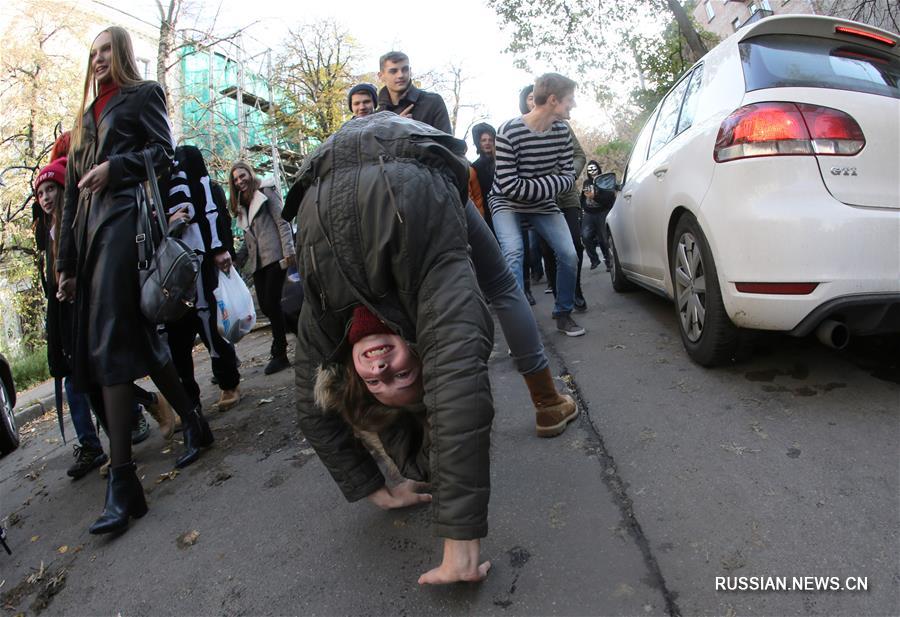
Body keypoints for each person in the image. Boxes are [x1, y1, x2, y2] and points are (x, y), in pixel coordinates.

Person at [284, 112, 579, 586]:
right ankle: (547, 400)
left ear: (355, 382)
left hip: (329, 178)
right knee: (501, 282)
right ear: (425, 352)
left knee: (502, 284)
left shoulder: (328, 314)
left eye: (376, 381)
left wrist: (373, 486)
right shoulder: (433, 285)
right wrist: (456, 546)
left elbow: (308, 402)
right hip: (419, 175)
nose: (379, 366)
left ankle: (547, 400)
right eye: (400, 374)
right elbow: (458, 380)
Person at [57, 26, 213, 534]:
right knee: (135, 341)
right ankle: (194, 421)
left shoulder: (143, 94)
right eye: (93, 52)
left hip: (127, 226)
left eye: (107, 50)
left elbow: (166, 156)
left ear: (121, 53)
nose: (99, 59)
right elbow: (70, 198)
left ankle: (123, 479)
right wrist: (65, 264)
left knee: (111, 344)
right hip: (91, 237)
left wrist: (116, 168)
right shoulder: (83, 119)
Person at [490, 74, 585, 336]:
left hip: (543, 204)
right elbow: (509, 186)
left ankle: (563, 313)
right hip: (506, 203)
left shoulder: (562, 132)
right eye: (570, 99)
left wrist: (537, 185)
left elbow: (568, 178)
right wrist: (549, 181)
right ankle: (520, 327)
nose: (573, 105)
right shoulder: (508, 130)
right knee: (514, 253)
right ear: (553, 100)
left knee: (569, 254)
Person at [165, 145, 242, 410]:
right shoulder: (146, 178)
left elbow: (211, 207)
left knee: (211, 321)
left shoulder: (194, 168)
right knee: (175, 334)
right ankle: (189, 402)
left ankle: (229, 383)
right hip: (168, 270)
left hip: (199, 261)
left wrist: (219, 249)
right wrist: (165, 220)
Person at [518, 84, 589, 311]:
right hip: (540, 201)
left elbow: (579, 155)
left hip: (566, 196)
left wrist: (569, 175)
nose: (532, 101)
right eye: (528, 98)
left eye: (534, 97)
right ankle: (560, 297)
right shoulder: (518, 129)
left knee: (574, 245)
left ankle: (575, 289)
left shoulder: (562, 127)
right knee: (548, 249)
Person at [229, 161, 295, 375]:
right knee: (267, 307)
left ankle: (280, 353)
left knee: (272, 303)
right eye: (236, 179)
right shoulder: (241, 205)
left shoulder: (265, 191)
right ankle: (300, 329)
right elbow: (247, 240)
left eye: (242, 175)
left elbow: (282, 221)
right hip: (258, 262)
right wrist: (236, 260)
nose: (240, 181)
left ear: (249, 173)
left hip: (275, 256)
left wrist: (289, 251)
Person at [375, 51, 452, 134]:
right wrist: (394, 130)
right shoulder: (377, 117)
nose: (400, 75)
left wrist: (414, 130)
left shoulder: (432, 102)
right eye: (393, 71)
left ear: (410, 71)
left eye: (405, 69)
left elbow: (447, 144)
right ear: (381, 76)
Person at [581, 160, 614, 271]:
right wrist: (583, 208)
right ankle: (594, 259)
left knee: (604, 239)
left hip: (602, 212)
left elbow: (608, 199)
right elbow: (583, 197)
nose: (592, 171)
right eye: (589, 169)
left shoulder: (604, 181)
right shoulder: (586, 182)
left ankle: (609, 261)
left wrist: (594, 197)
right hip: (589, 213)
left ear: (598, 168)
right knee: (585, 237)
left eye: (594, 168)